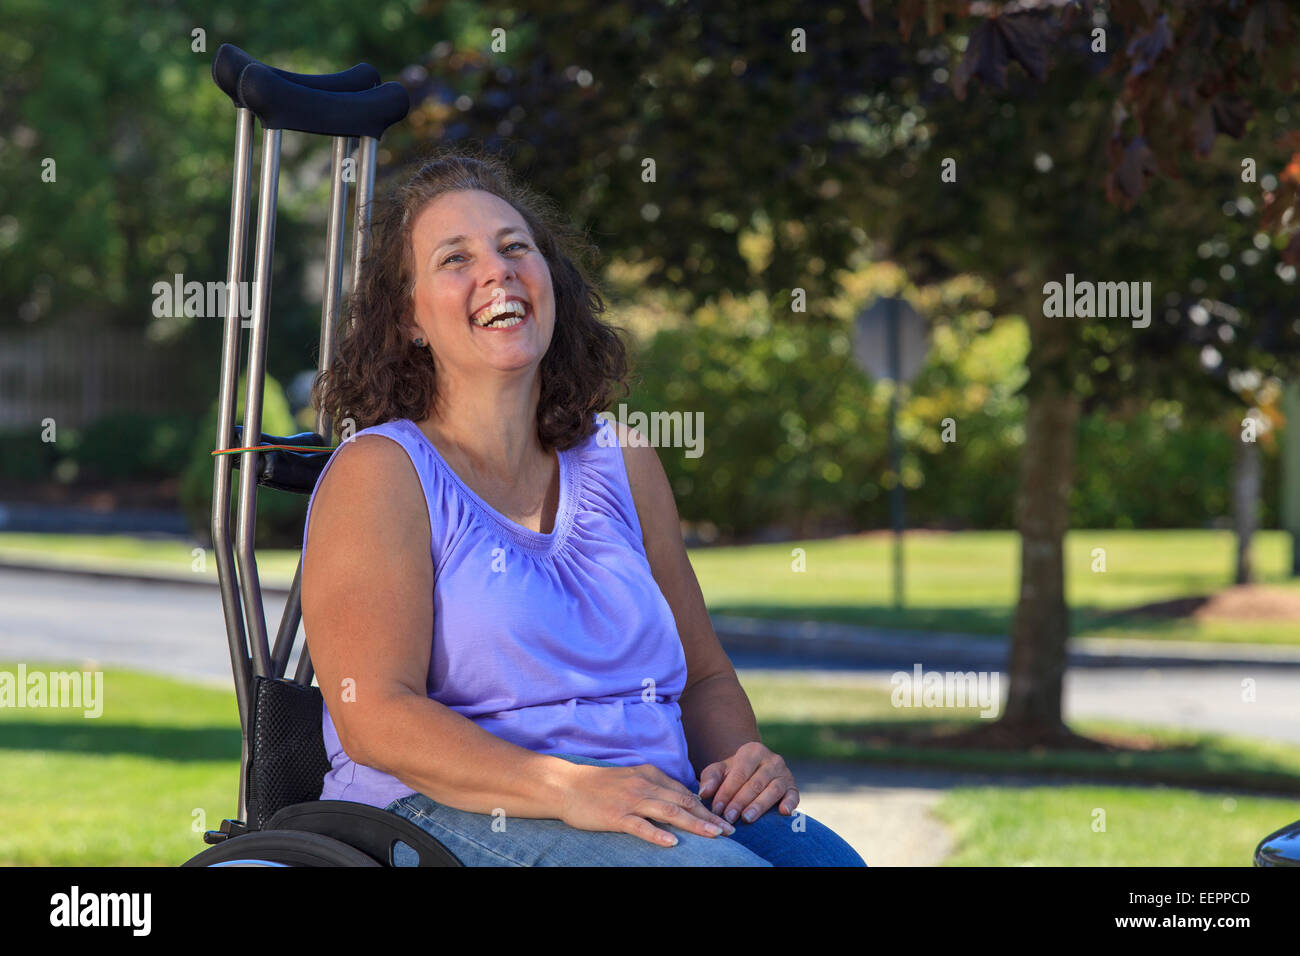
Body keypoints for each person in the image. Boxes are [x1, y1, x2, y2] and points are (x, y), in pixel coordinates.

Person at [301, 147, 866, 867]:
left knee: (829, 864)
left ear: (549, 281)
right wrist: (565, 787)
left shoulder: (621, 460)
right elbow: (375, 715)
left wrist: (744, 759)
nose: (498, 270)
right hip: (445, 810)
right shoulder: (384, 472)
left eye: (515, 248)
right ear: (408, 318)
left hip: (644, 795)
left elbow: (706, 678)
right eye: (454, 259)